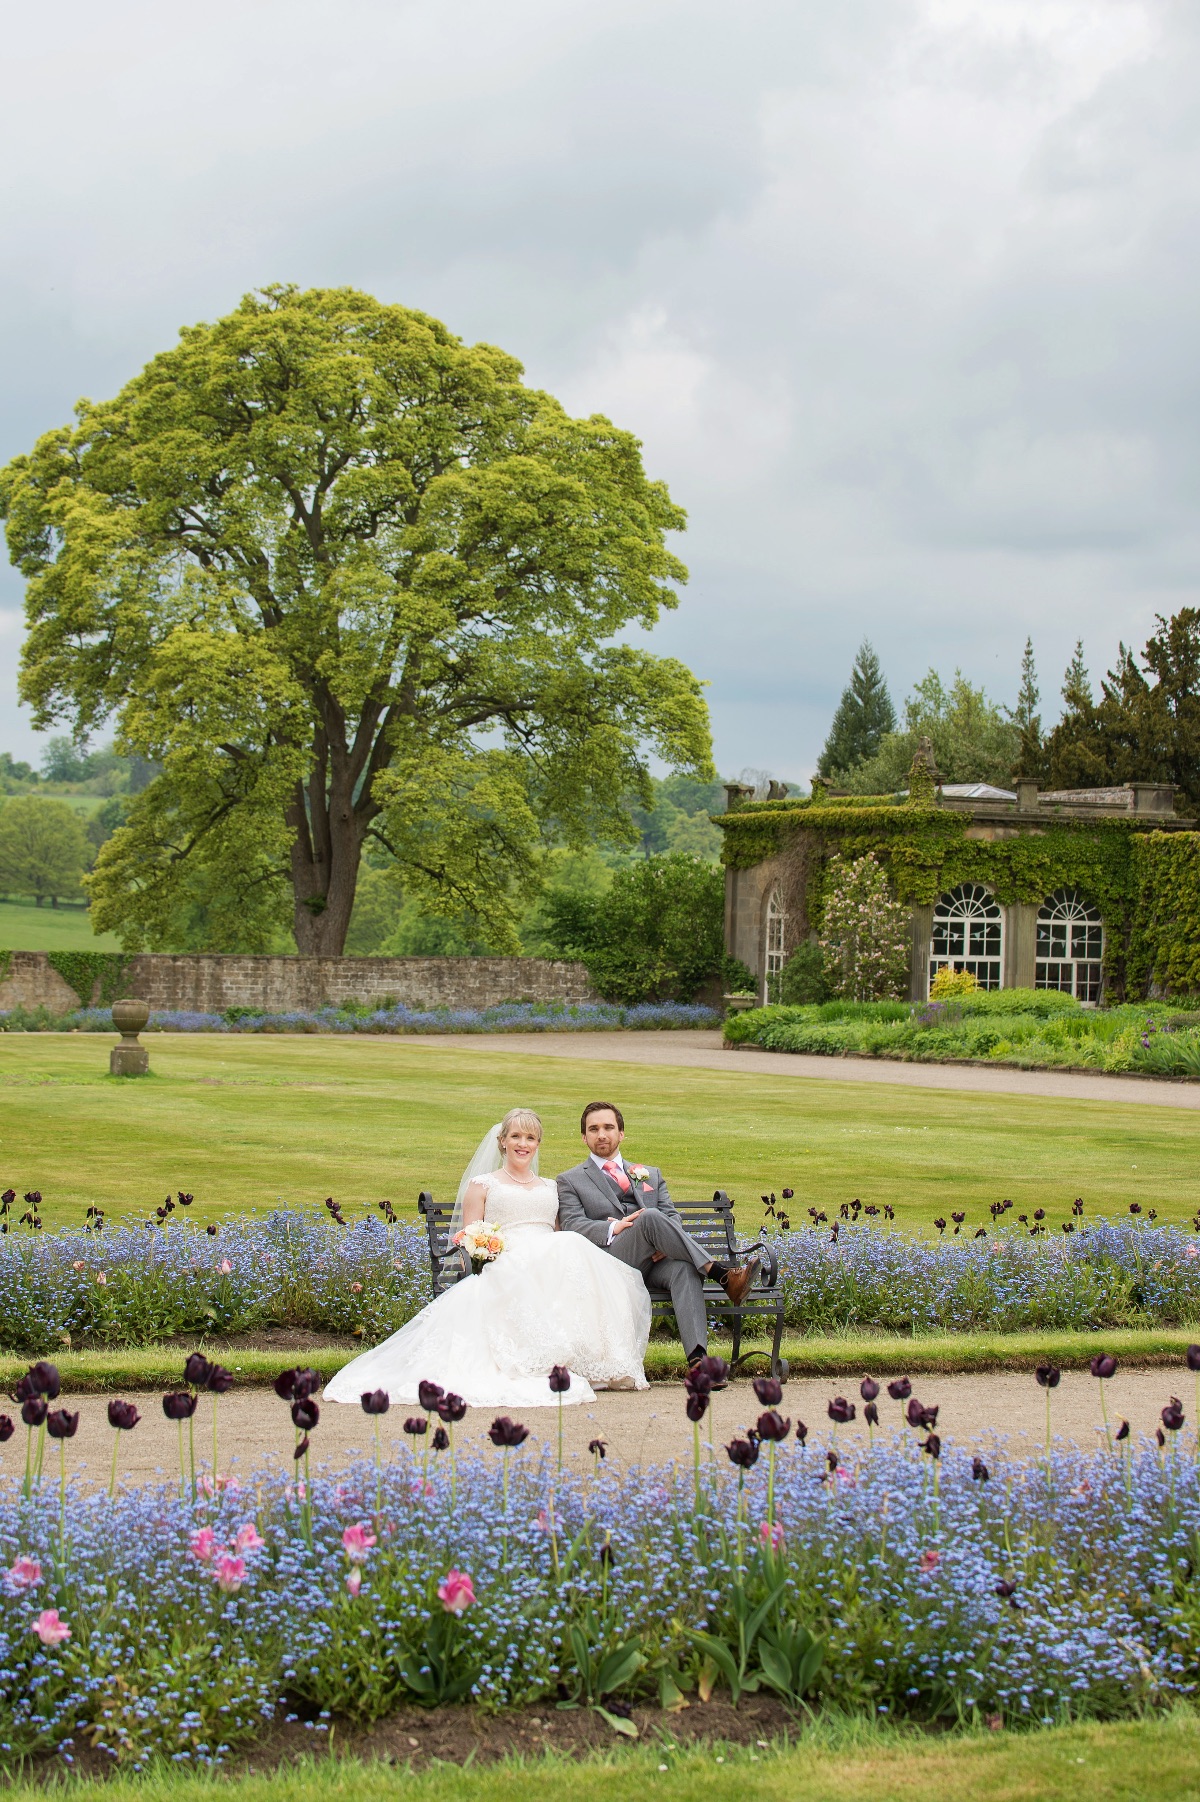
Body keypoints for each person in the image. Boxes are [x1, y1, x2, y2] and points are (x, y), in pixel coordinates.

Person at [324, 1108, 650, 1408]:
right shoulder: (483, 1185)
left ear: (538, 1144)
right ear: (502, 1142)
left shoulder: (551, 1186)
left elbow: (561, 1230)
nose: (523, 1144)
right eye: (516, 1137)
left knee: (569, 1249)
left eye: (531, 1138)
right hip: (507, 1262)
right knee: (564, 1249)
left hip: (549, 1259)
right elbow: (470, 1235)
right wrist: (492, 1250)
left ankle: (592, 1363)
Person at [556, 1101, 759, 1372]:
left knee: (685, 1269)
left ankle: (698, 1362)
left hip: (654, 1262)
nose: (601, 1134)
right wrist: (612, 1228)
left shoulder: (650, 1173)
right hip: (610, 1262)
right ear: (584, 1137)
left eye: (608, 1127)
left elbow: (671, 1216)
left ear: (621, 1133)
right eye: (593, 1129)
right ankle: (721, 1273)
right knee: (649, 1217)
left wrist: (663, 1244)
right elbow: (571, 1224)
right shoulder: (570, 1180)